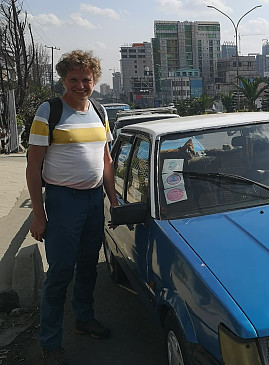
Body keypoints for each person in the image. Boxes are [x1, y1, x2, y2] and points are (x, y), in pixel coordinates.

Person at [26, 50, 118, 365]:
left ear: (95, 81)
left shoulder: (100, 110)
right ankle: (50, 342)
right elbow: (33, 165)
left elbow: (106, 160)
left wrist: (114, 200)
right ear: (63, 80)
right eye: (74, 79)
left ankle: (84, 319)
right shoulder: (49, 111)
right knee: (61, 271)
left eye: (86, 79)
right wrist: (39, 215)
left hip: (94, 200)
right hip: (63, 201)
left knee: (89, 266)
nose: (80, 85)